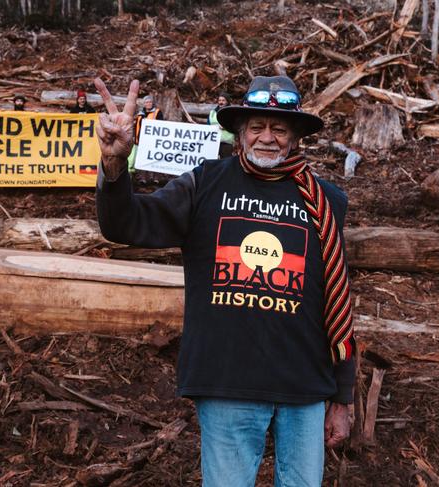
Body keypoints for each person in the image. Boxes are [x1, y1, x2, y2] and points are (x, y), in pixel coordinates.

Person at [94, 75, 355, 487]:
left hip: (304, 388)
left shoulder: (327, 202)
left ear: (295, 138)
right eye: (256, 127)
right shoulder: (205, 185)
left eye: (280, 128)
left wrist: (341, 397)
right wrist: (113, 166)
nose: (267, 138)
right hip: (227, 381)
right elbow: (126, 224)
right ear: (239, 133)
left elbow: (337, 299)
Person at [127, 94, 164, 174]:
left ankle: (152, 176)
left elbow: (161, 125)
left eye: (150, 102)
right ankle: (139, 176)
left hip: (151, 141)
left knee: (151, 159)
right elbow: (136, 126)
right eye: (147, 102)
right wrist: (134, 137)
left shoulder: (157, 112)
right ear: (144, 104)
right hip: (139, 141)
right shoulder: (140, 114)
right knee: (139, 159)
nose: (148, 104)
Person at [207, 92, 235, 158]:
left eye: (223, 100)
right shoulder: (212, 112)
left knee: (225, 162)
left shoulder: (232, 112)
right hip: (213, 141)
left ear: (227, 101)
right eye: (219, 100)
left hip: (226, 143)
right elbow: (208, 125)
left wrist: (226, 127)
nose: (221, 102)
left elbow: (235, 125)